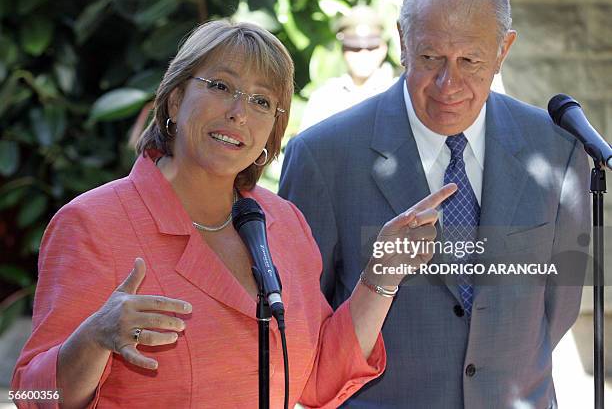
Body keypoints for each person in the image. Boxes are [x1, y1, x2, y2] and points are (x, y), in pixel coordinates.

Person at [11, 20, 457, 409]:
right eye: (221, 87)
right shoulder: (93, 224)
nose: (239, 113)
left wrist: (381, 276)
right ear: (175, 100)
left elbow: (318, 378)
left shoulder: (284, 223)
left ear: (272, 130)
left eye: (263, 101)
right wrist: (94, 338)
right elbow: (35, 397)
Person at [279, 0, 590, 409]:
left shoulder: (557, 149)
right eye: (430, 58)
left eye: (470, 60)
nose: (449, 83)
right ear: (403, 42)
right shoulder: (323, 157)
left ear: (504, 50)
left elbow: (557, 306)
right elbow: (305, 326)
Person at [299, 5, 396, 131]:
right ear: (343, 50)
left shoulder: (401, 93)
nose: (363, 55)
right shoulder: (325, 97)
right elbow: (304, 146)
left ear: (383, 48)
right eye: (355, 48)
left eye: (371, 47)